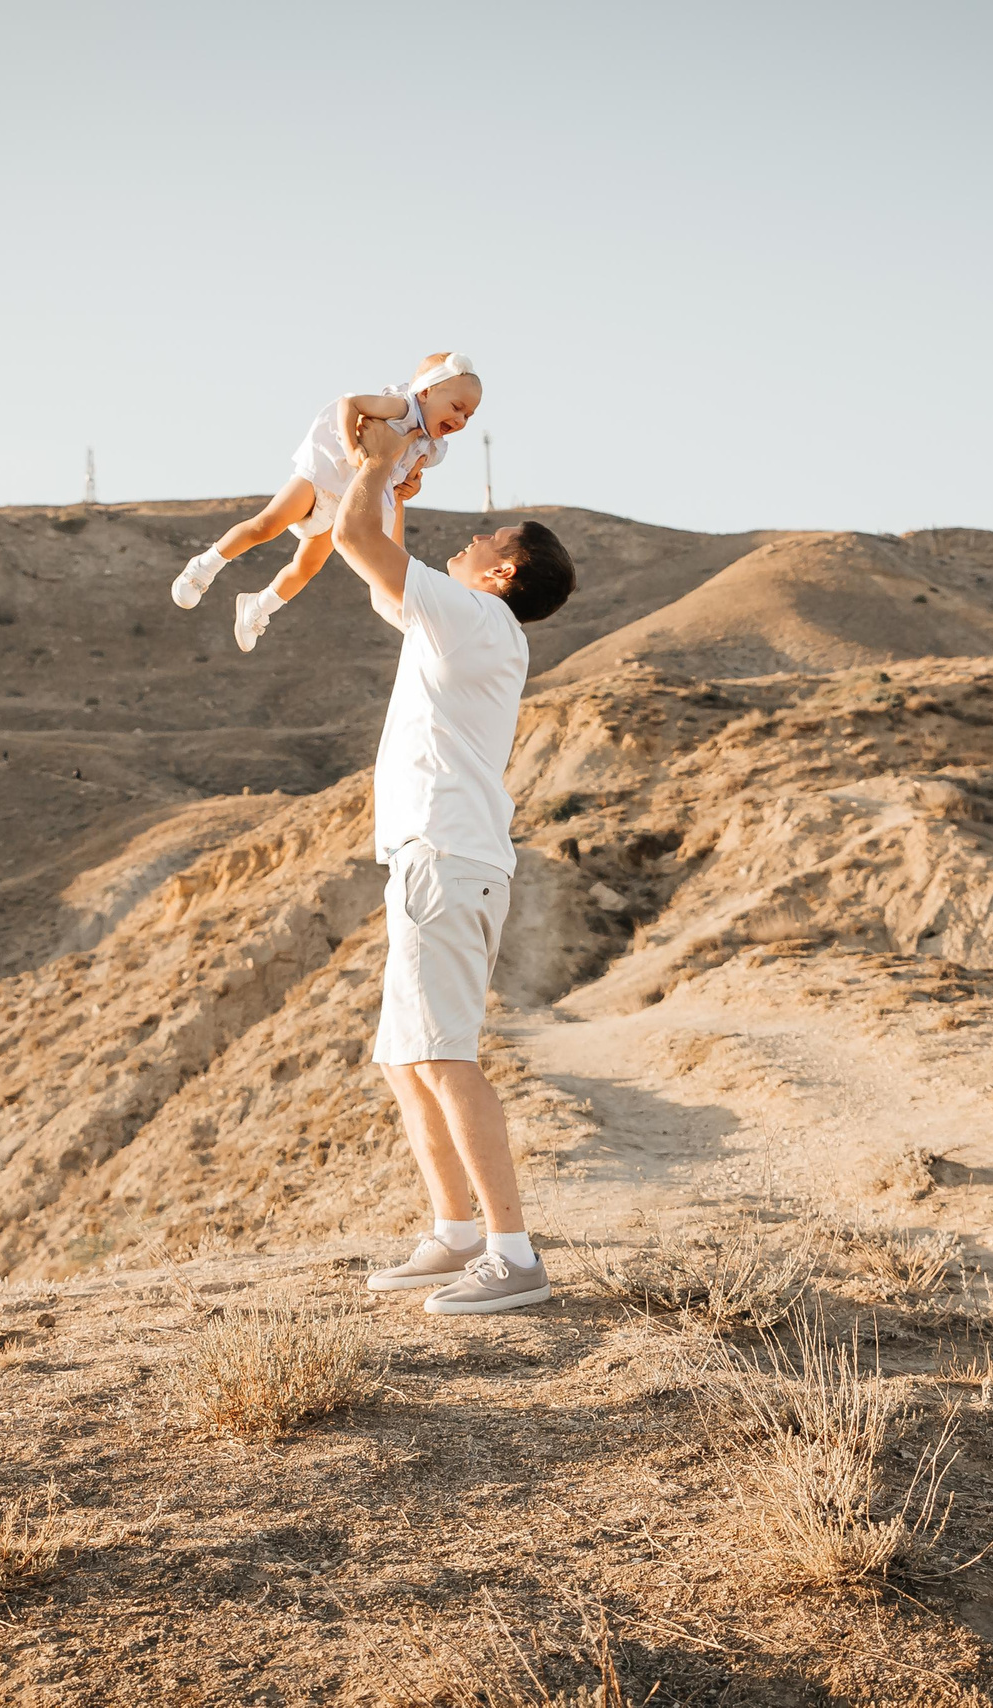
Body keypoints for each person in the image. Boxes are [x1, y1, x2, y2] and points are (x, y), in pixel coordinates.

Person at [322, 409, 576, 1315]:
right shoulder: (465, 625)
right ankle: (458, 1232)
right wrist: (387, 487)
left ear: (501, 573)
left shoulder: (473, 617)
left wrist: (382, 465)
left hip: (448, 855)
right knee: (406, 1057)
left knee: (443, 1054)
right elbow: (382, 584)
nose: (461, 547)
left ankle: (513, 1254)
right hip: (433, 857)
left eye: (477, 543)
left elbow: (352, 539)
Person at [169, 353, 483, 653]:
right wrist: (350, 447)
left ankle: (259, 607)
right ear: (426, 392)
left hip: (349, 501)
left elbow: (406, 480)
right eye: (456, 407)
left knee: (307, 567)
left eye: (468, 415)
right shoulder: (401, 408)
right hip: (327, 477)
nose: (461, 419)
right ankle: (202, 567)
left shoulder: (432, 448)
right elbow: (350, 403)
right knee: (267, 524)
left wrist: (410, 486)